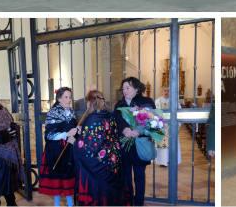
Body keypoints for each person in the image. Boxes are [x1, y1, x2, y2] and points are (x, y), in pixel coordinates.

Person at [75, 90, 129, 206]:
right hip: (112, 162)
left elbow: (86, 148)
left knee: (99, 196)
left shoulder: (91, 119)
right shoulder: (110, 116)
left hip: (97, 166)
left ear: (89, 103)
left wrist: (75, 140)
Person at [115, 77, 157, 206]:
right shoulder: (119, 104)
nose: (125, 91)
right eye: (123, 88)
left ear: (137, 89)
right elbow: (116, 121)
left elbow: (153, 121)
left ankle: (139, 202)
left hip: (140, 144)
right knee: (126, 176)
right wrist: (124, 130)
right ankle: (128, 202)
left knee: (139, 176)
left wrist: (138, 131)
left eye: (128, 88)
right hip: (124, 144)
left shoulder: (146, 102)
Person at [39, 87, 77, 207]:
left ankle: (70, 205)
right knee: (57, 182)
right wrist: (66, 134)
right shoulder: (53, 112)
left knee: (68, 181)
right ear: (59, 98)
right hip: (56, 151)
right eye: (66, 97)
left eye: (70, 97)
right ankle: (57, 205)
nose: (69, 99)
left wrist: (76, 133)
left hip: (69, 151)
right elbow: (49, 135)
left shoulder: (71, 111)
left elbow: (73, 129)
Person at [154, 87, 181, 167]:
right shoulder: (157, 101)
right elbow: (154, 113)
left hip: (171, 126)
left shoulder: (174, 101)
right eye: (165, 90)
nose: (166, 92)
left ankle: (172, 160)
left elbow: (179, 112)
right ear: (162, 91)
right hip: (161, 126)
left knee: (172, 143)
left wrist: (177, 124)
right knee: (162, 146)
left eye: (168, 91)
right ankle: (162, 161)